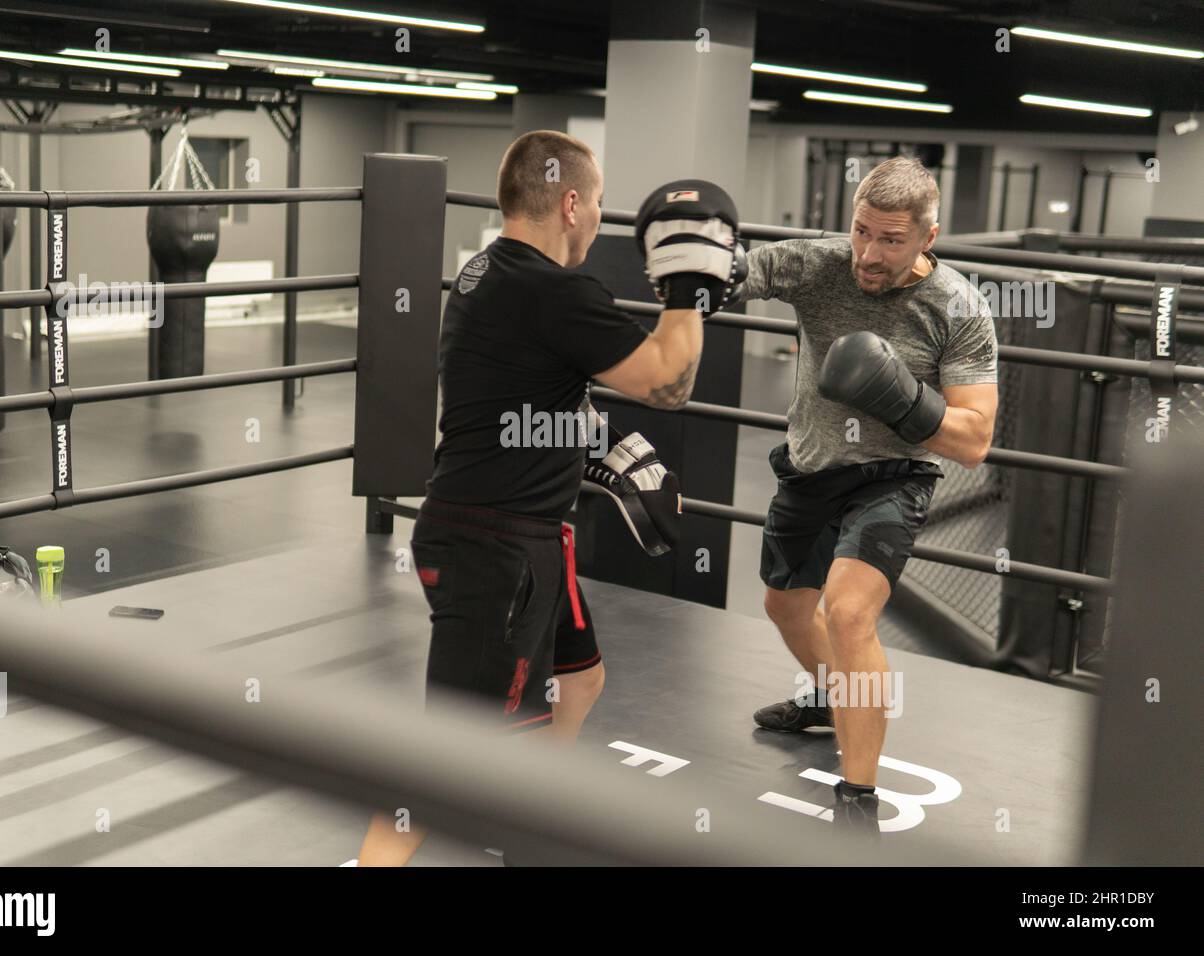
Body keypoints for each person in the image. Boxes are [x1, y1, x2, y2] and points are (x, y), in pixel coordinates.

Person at [356, 130, 740, 865]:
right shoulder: (553, 291)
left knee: (583, 679)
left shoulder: (483, 275)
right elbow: (668, 381)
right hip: (497, 554)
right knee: (442, 762)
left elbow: (524, 391)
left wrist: (601, 452)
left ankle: (533, 817)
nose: (597, 221)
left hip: (516, 538)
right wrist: (692, 288)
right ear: (570, 203)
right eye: (595, 205)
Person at [734, 156, 998, 835]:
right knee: (786, 607)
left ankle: (858, 796)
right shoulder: (818, 264)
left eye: (890, 240)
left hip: (892, 478)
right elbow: (740, 272)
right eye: (860, 233)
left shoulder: (958, 306)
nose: (869, 254)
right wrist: (698, 266)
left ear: (927, 239)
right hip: (811, 469)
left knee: (848, 614)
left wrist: (904, 401)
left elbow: (973, 440)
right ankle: (828, 698)